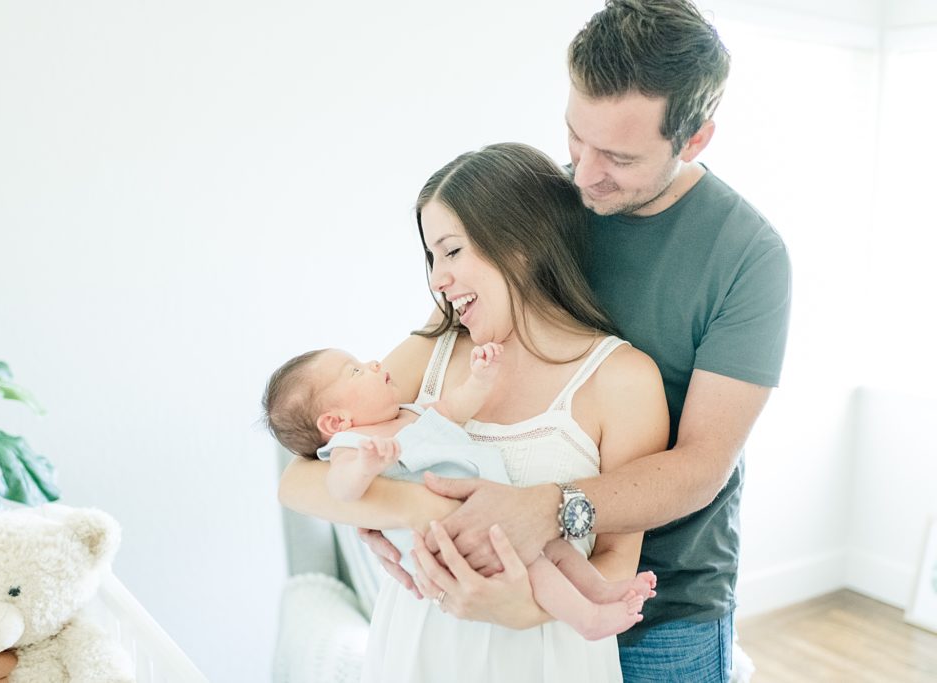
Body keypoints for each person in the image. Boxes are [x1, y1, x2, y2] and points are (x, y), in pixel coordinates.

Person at [285, 2, 792, 682]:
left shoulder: (747, 258)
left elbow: (700, 466)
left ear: (694, 139)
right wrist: (383, 506)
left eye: (617, 157)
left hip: (665, 600)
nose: (582, 176)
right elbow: (376, 418)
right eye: (575, 138)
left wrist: (544, 538)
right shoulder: (541, 209)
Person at [278, 142, 670, 682]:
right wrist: (406, 510)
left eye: (452, 251)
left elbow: (616, 562)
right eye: (432, 257)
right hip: (419, 648)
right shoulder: (429, 351)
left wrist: (520, 609)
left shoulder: (623, 380)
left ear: (520, 245)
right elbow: (298, 478)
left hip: (546, 655)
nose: (437, 279)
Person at [264, 341, 655, 642]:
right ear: (336, 420)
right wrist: (367, 466)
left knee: (558, 549)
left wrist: (481, 378)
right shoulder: (352, 445)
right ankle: (587, 620)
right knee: (536, 567)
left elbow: (454, 406)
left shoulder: (407, 413)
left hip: (500, 512)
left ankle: (601, 591)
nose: (374, 364)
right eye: (355, 371)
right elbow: (340, 489)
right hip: (462, 543)